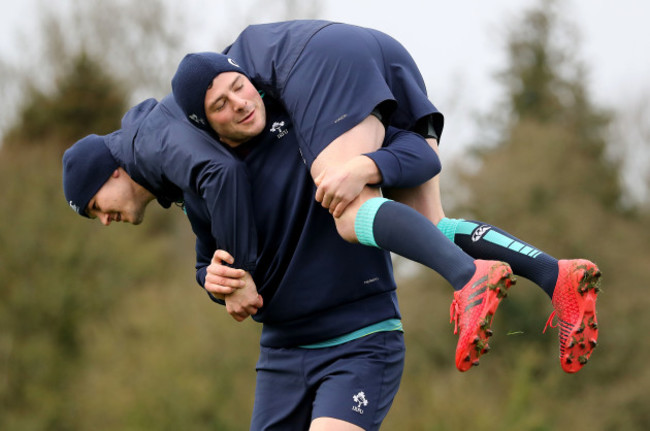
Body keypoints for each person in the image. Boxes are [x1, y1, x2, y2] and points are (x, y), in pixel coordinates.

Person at [171, 19, 600, 375]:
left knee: (346, 209)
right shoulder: (244, 96)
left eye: (236, 88)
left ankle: (468, 278)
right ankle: (554, 274)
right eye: (221, 104)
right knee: (431, 225)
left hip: (329, 58)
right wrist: (372, 164)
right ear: (206, 122)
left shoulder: (268, 92)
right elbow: (423, 159)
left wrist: (359, 169)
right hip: (384, 56)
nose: (239, 103)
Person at [63, 90, 512, 430]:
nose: (102, 220)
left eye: (93, 206)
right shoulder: (185, 181)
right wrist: (213, 279)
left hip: (358, 341)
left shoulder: (291, 126)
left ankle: (495, 274)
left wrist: (242, 270)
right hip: (282, 353)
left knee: (435, 225)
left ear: (113, 172)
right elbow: (210, 258)